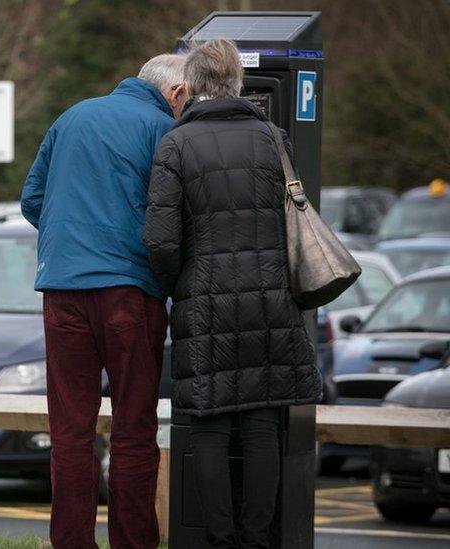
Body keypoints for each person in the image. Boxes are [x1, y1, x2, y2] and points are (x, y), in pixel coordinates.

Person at [143, 39, 322, 548]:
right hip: (270, 300)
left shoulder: (175, 145)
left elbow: (160, 239)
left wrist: (177, 284)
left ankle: (219, 541)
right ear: (238, 85)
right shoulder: (273, 137)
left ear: (194, 84)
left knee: (211, 425)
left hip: (205, 304)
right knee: (264, 423)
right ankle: (258, 540)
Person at [21, 53, 188, 549]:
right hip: (130, 293)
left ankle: (71, 542)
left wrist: (71, 241)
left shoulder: (70, 116)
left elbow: (33, 199)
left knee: (70, 430)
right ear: (176, 93)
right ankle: (133, 543)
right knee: (134, 428)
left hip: (62, 290)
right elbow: (171, 215)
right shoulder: (162, 129)